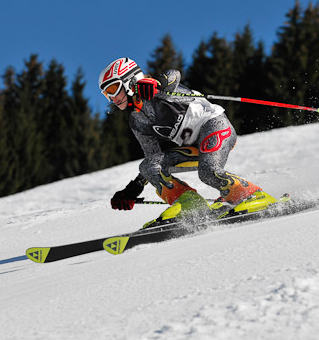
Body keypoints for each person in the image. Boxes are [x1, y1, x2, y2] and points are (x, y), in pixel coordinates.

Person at [99, 57, 276, 228]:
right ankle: (190, 205)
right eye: (107, 94)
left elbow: (174, 75)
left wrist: (158, 84)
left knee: (208, 172)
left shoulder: (157, 90)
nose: (112, 98)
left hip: (216, 127)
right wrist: (134, 188)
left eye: (114, 89)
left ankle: (252, 195)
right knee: (148, 166)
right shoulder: (137, 122)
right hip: (194, 147)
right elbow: (152, 156)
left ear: (130, 81)